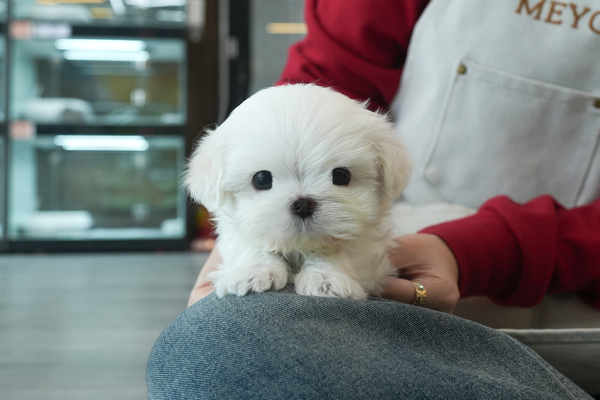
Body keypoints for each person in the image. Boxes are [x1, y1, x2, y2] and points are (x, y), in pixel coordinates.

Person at [147, 1, 600, 398]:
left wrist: (479, 250)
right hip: (420, 253)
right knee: (203, 344)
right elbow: (322, 90)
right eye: (264, 180)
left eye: (339, 177)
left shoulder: (382, 160)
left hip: (579, 303)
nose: (303, 201)